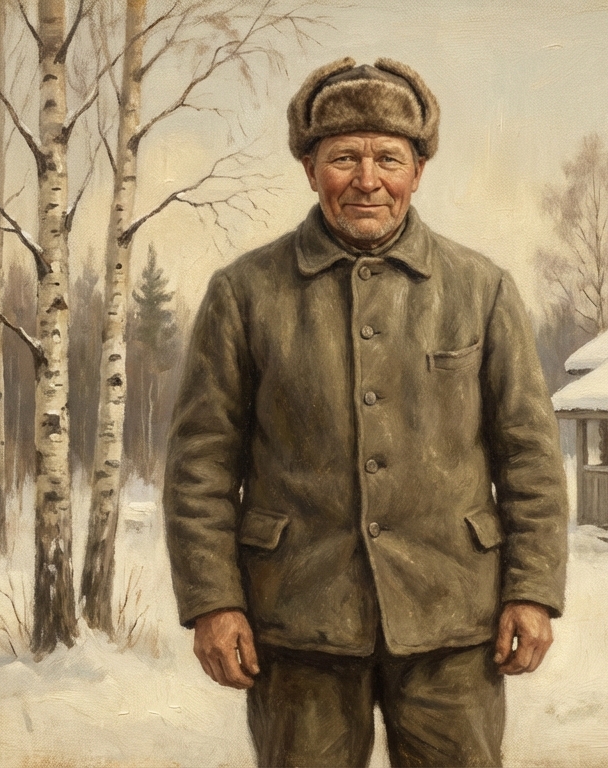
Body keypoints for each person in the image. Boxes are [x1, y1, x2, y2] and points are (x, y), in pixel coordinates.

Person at [163, 57, 568, 768]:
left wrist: (533, 591)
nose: (367, 178)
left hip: (453, 615)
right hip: (297, 620)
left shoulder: (483, 289)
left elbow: (529, 457)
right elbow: (200, 465)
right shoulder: (244, 293)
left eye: (388, 157)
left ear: (418, 171)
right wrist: (213, 603)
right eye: (344, 157)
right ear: (310, 168)